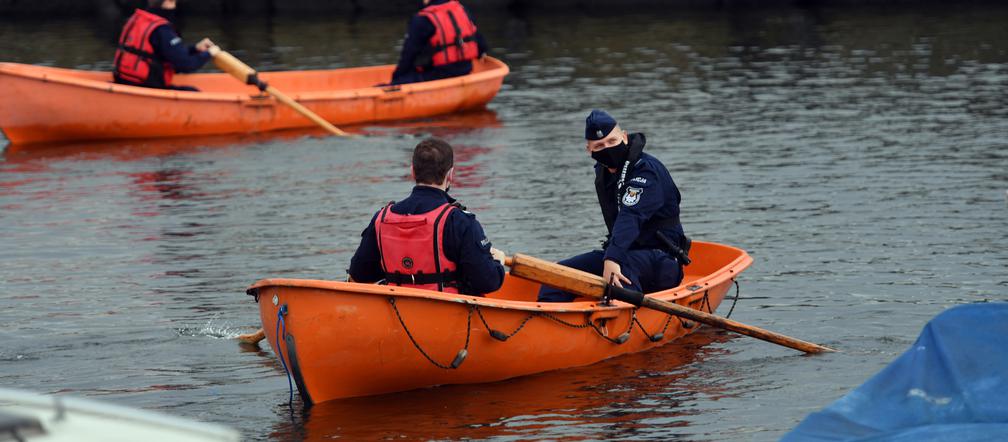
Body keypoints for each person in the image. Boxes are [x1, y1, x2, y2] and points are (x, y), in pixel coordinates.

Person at [538, 110, 691, 302]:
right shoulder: (605, 173)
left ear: (624, 137)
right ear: (590, 150)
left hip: (663, 261)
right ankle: (551, 324)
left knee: (618, 276)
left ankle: (626, 324)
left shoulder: (645, 171)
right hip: (627, 253)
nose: (607, 148)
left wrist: (612, 258)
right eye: (600, 145)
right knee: (557, 275)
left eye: (612, 141)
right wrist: (610, 256)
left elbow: (631, 217)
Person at [349, 138, 506, 296]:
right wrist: (497, 261)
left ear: (412, 171)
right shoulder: (460, 222)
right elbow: (487, 282)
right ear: (450, 174)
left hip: (396, 310)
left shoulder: (381, 218)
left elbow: (359, 274)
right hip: (448, 314)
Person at [113, 0, 216, 91]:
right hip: (146, 86)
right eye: (174, 2)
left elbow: (171, 53)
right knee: (193, 92)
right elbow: (186, 64)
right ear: (168, 2)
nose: (175, 7)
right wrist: (209, 54)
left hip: (123, 80)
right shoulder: (162, 29)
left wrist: (195, 48)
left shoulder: (138, 18)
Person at [389, 0, 489, 85]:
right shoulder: (462, 9)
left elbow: (408, 56)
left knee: (396, 81)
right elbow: (479, 41)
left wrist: (395, 80)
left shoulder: (422, 19)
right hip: (466, 71)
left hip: (437, 76)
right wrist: (482, 52)